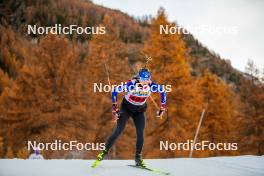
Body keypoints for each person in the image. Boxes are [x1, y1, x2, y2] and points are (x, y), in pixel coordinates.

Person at [95, 68, 166, 167]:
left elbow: (163, 91)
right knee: (118, 130)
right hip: (126, 109)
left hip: (139, 111)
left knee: (140, 133)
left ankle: (138, 158)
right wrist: (114, 107)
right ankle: (103, 152)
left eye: (148, 79)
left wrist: (162, 108)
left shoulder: (151, 86)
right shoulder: (131, 84)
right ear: (139, 78)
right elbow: (115, 90)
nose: (146, 82)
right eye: (143, 80)